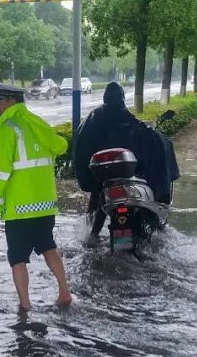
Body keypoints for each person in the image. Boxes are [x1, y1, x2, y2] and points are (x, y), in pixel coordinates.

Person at [0, 82, 73, 313]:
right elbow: (61, 145)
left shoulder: (7, 128)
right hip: (45, 205)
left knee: (17, 258)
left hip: (19, 207)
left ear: (12, 102)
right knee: (48, 246)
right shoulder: (36, 123)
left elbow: (0, 173)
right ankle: (64, 291)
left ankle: (25, 304)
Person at [72, 82, 176, 240]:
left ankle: (92, 236)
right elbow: (143, 132)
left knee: (97, 197)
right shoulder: (122, 115)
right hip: (116, 176)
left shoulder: (91, 118)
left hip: (99, 175)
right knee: (100, 196)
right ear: (121, 98)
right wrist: (161, 140)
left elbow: (79, 146)